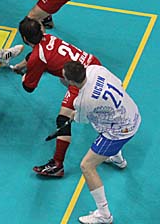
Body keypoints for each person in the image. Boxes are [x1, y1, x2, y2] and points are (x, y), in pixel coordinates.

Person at [14, 17, 102, 177]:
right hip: (94, 65)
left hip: (83, 80)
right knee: (64, 79)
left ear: (25, 39)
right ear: (41, 30)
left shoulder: (38, 57)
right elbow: (36, 55)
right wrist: (22, 65)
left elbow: (29, 87)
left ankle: (57, 165)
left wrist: (24, 75)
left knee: (63, 120)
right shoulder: (49, 38)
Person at [61, 61, 141, 224]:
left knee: (86, 166)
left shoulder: (82, 102)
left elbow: (82, 119)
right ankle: (118, 159)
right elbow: (118, 82)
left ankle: (104, 215)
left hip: (120, 131)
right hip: (133, 113)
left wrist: (73, 115)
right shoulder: (95, 69)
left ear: (71, 81)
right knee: (100, 121)